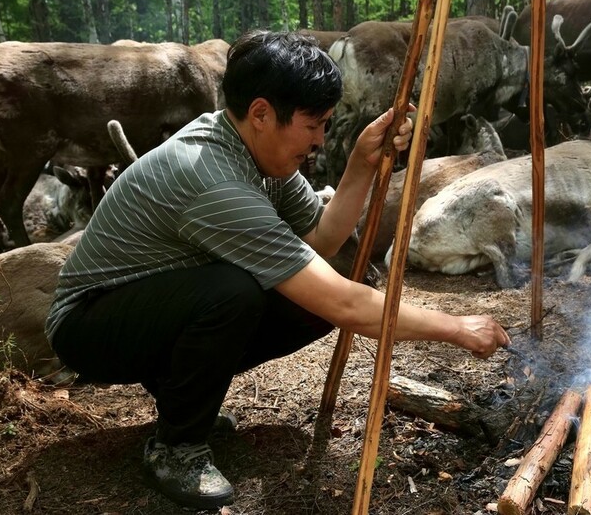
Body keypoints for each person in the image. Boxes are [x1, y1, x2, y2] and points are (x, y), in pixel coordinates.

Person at [45, 30, 510, 510]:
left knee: (302, 302)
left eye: (327, 126)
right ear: (263, 113)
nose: (319, 141)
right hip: (88, 324)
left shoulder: (257, 153)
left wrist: (360, 166)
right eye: (313, 125)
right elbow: (347, 305)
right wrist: (456, 327)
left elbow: (321, 242)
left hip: (151, 306)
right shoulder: (210, 176)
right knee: (233, 292)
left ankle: (182, 398)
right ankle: (176, 447)